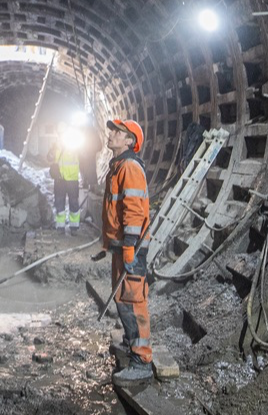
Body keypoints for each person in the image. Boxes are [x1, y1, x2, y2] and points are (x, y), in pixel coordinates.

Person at [100, 117, 153, 383]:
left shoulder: (130, 167)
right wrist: (107, 244)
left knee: (133, 302)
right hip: (122, 247)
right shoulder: (118, 166)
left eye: (117, 132)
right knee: (122, 299)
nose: (111, 134)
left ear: (130, 141)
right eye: (112, 130)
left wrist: (130, 247)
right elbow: (113, 211)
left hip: (132, 248)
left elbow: (134, 210)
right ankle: (133, 345)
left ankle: (141, 360)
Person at [49, 130, 82, 232]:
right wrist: (52, 150)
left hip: (72, 179)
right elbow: (49, 157)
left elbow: (84, 156)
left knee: (73, 203)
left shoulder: (75, 145)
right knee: (59, 202)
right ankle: (60, 226)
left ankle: (74, 227)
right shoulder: (56, 146)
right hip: (60, 179)